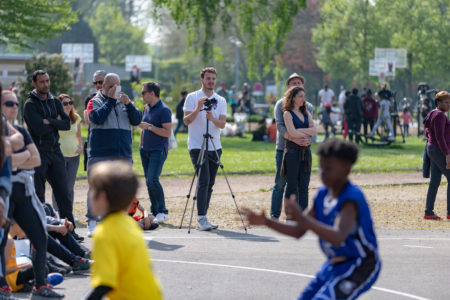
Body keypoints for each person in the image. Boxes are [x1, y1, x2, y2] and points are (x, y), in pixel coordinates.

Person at [243, 138, 381, 300]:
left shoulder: (351, 198)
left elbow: (338, 237)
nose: (323, 173)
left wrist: (302, 217)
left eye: (328, 169)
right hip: (335, 264)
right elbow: (298, 231)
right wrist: (267, 222)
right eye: (321, 168)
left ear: (346, 169)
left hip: (360, 264)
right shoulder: (322, 195)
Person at [3, 90, 65, 299]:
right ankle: (3, 286)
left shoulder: (20, 130)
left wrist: (10, 159)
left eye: (15, 103)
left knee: (39, 237)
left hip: (22, 192)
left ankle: (41, 286)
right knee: (2, 240)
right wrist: (22, 156)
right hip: (4, 192)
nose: (14, 107)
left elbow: (36, 159)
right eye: (9, 103)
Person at [84, 161, 162, 300]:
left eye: (92, 190)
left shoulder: (105, 233)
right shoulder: (127, 223)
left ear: (102, 197)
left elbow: (105, 284)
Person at [85, 73, 142, 237]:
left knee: (124, 189)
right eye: (111, 86)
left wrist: (129, 104)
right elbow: (96, 118)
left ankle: (120, 223)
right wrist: (110, 100)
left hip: (122, 152)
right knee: (96, 188)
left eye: (117, 85)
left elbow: (137, 120)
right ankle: (92, 222)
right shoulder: (93, 101)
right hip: (100, 153)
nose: (115, 89)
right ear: (103, 86)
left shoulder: (124, 101)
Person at [23, 70, 76, 227]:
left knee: (63, 194)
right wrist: (55, 122)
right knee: (39, 196)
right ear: (34, 83)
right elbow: (39, 129)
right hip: (38, 153)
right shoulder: (30, 105)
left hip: (55, 150)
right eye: (41, 82)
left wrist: (49, 121)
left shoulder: (54, 101)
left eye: (47, 81)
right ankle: (44, 231)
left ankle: (69, 231)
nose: (45, 84)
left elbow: (67, 124)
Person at [183, 67, 227, 231]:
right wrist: (197, 109)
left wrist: (212, 118)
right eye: (208, 78)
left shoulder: (220, 100)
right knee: (203, 180)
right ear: (202, 80)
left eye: (213, 78)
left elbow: (222, 124)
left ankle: (204, 216)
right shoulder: (192, 97)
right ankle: (201, 218)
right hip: (197, 145)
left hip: (215, 145)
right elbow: (186, 121)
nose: (211, 81)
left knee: (210, 183)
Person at [270, 73, 314, 220]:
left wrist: (306, 140)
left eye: (299, 83)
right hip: (284, 148)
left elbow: (312, 129)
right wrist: (293, 138)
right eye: (293, 83)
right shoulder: (281, 105)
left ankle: (299, 214)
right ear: (288, 86)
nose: (297, 84)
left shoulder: (308, 107)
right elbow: (281, 128)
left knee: (301, 183)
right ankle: (275, 214)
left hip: (303, 149)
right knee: (281, 183)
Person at [138, 82, 172, 223]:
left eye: (143, 92)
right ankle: (155, 210)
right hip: (145, 150)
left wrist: (150, 127)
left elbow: (167, 132)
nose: (142, 95)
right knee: (148, 181)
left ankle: (163, 211)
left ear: (152, 93)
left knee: (153, 179)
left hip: (158, 150)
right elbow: (143, 127)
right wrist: (141, 144)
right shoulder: (147, 107)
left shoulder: (164, 109)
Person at [282, 87, 316, 210]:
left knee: (304, 186)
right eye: (300, 96)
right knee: (292, 185)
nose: (303, 99)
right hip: (292, 153)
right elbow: (291, 132)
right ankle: (291, 215)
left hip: (306, 153)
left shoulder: (306, 112)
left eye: (303, 96)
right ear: (293, 98)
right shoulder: (287, 113)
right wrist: (303, 133)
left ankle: (303, 215)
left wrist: (299, 131)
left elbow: (314, 130)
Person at [51, 94, 83, 217]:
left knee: (69, 187)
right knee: (58, 185)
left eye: (70, 102)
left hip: (74, 156)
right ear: (59, 105)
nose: (68, 105)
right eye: (65, 103)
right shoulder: (56, 118)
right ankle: (56, 213)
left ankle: (68, 213)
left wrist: (80, 147)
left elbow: (78, 135)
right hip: (59, 156)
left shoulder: (76, 117)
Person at [423, 91, 450, 220]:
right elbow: (439, 137)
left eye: (449, 102)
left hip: (432, 149)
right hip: (438, 150)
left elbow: (428, 132)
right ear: (438, 102)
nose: (448, 104)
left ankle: (428, 212)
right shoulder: (439, 115)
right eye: (446, 102)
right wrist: (447, 154)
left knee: (435, 181)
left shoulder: (432, 113)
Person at [83, 70, 107, 171]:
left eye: (100, 82)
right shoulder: (90, 98)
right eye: (95, 83)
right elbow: (88, 121)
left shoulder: (117, 97)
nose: (97, 85)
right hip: (94, 139)